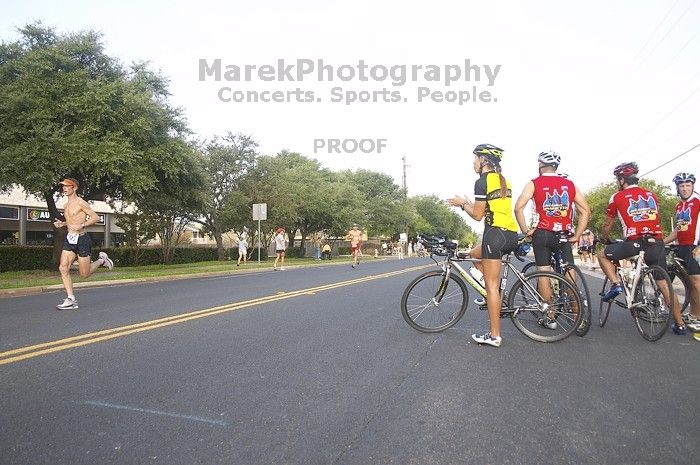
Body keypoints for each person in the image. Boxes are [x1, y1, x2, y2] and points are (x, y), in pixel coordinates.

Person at [597, 162, 686, 334]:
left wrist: (604, 238)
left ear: (622, 180)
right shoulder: (652, 195)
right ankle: (680, 324)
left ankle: (616, 285)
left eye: (617, 179)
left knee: (602, 255)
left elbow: (608, 223)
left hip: (636, 243)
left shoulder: (617, 196)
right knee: (665, 285)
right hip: (657, 242)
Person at [448, 144, 519, 348]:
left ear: (483, 161)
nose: (473, 162)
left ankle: (494, 335)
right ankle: (482, 281)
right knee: (471, 254)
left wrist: (462, 205)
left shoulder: (482, 181)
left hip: (494, 235)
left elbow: (478, 215)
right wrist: (469, 203)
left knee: (492, 287)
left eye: (475, 158)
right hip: (510, 234)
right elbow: (488, 207)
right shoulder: (504, 181)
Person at [514, 151, 591, 329]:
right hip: (564, 235)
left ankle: (550, 317)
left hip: (543, 234)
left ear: (540, 165)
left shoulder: (534, 183)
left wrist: (526, 231)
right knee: (569, 275)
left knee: (543, 273)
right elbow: (585, 210)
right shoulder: (569, 184)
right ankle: (577, 318)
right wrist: (578, 235)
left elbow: (518, 208)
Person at [52, 178, 114, 310]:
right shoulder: (66, 205)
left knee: (84, 274)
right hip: (70, 238)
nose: (64, 188)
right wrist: (62, 224)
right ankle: (71, 300)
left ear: (74, 188)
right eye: (63, 186)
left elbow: (95, 217)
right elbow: (71, 222)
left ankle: (101, 260)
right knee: (63, 268)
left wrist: (82, 224)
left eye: (67, 186)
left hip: (82, 239)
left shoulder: (81, 203)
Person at [663, 172, 700, 332]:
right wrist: (661, 242)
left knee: (697, 283)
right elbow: (678, 231)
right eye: (682, 186)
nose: (685, 189)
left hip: (695, 247)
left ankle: (698, 318)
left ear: (692, 186)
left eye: (688, 185)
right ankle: (693, 314)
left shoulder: (697, 201)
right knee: (689, 283)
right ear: (677, 188)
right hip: (682, 247)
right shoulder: (679, 206)